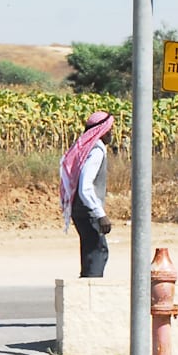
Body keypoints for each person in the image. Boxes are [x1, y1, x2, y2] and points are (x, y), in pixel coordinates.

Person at [60, 110, 114, 278]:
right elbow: (85, 185)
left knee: (90, 251)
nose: (111, 134)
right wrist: (100, 214)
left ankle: (86, 285)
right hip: (88, 210)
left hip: (78, 208)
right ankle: (91, 291)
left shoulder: (84, 148)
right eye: (110, 130)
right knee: (98, 251)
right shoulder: (96, 150)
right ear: (103, 131)